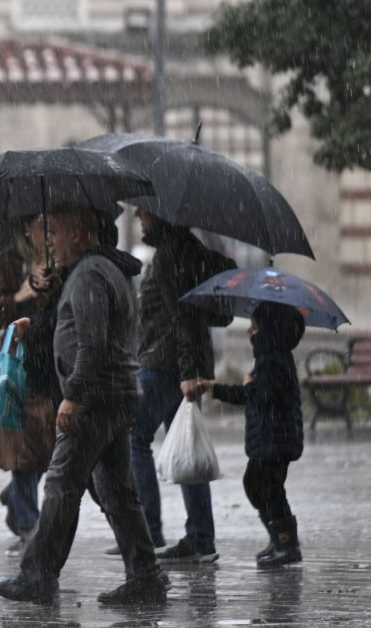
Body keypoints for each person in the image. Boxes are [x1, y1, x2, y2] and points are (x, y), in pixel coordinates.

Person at [0, 204, 168, 606]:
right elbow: (83, 332)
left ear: (82, 235)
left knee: (62, 484)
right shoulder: (100, 270)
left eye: (56, 230)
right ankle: (146, 576)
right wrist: (43, 320)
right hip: (114, 394)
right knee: (117, 490)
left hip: (95, 399)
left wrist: (74, 395)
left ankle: (37, 576)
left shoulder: (88, 274)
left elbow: (92, 344)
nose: (49, 239)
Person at [122, 206, 235, 563]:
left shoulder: (172, 253)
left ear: (161, 213)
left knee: (133, 438)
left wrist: (187, 372)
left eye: (144, 208)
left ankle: (149, 531)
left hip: (164, 364)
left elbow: (183, 315)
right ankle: (200, 538)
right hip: (183, 365)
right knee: (187, 450)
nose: (138, 213)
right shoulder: (187, 248)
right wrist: (192, 369)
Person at [0, 216, 61, 555]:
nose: (50, 232)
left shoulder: (61, 260)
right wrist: (19, 294)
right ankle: (27, 524)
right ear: (26, 229)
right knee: (21, 448)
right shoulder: (9, 262)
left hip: (51, 364)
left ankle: (16, 495)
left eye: (53, 226)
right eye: (43, 225)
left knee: (49, 447)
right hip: (17, 363)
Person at [204, 302, 305, 568]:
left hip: (276, 441)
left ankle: (287, 543)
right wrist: (216, 390)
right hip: (269, 440)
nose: (249, 331)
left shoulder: (274, 361)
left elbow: (263, 396)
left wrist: (249, 385)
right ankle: (279, 539)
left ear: (268, 330)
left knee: (269, 489)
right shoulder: (268, 359)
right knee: (257, 485)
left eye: (255, 326)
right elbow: (251, 396)